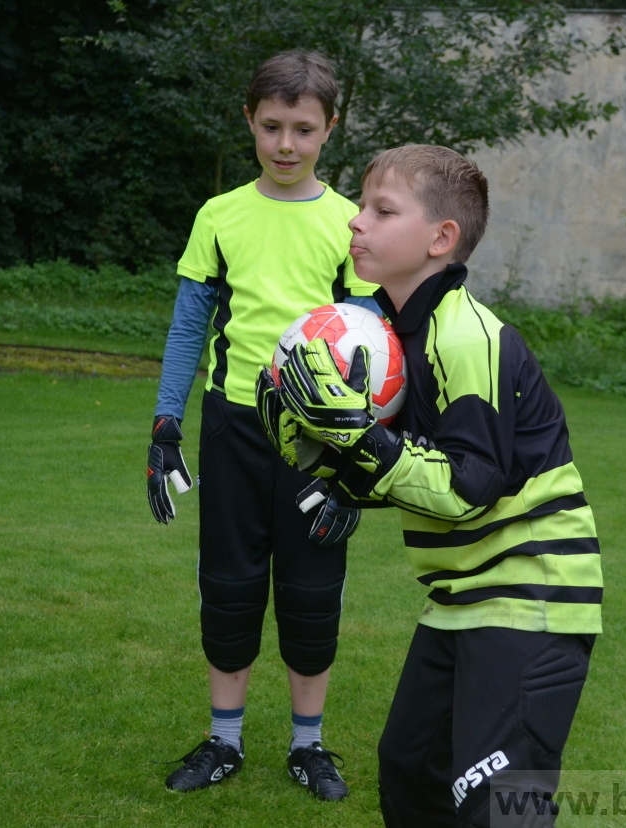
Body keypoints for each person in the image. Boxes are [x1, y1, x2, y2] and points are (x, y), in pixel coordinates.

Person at [262, 144, 603, 826]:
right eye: (361, 207)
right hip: (457, 597)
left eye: (383, 210)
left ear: (441, 239)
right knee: (410, 771)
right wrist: (324, 461)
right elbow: (410, 470)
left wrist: (364, 438)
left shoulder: (465, 336)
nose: (357, 222)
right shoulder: (382, 334)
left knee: (493, 802)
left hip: (530, 596)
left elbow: (469, 484)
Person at [146, 50, 376, 801]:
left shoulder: (350, 226)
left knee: (311, 592)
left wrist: (356, 467)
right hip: (236, 426)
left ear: (329, 130)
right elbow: (188, 330)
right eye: (271, 126)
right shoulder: (220, 216)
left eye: (302, 129)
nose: (285, 144)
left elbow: (372, 347)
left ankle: (309, 747)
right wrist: (165, 422)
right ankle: (225, 740)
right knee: (231, 585)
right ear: (249, 120)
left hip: (320, 440)